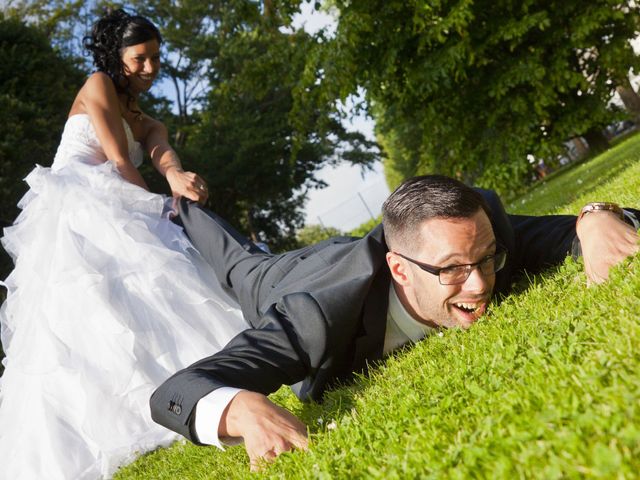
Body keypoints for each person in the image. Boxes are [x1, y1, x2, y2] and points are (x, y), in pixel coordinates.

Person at [150, 174, 640, 470]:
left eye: (486, 260)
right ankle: (183, 207)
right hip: (275, 278)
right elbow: (177, 390)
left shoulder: (479, 230)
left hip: (358, 254)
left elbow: (578, 230)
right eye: (450, 269)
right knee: (237, 260)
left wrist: (595, 216)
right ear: (400, 268)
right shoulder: (313, 317)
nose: (478, 286)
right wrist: (238, 408)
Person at [0, 9, 248, 479]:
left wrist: (176, 176)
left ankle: (187, 383)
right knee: (92, 317)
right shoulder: (96, 85)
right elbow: (118, 160)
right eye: (140, 58)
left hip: (117, 199)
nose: (150, 68)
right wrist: (156, 210)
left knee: (151, 299)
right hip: (81, 207)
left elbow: (158, 148)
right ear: (116, 56)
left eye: (156, 57)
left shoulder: (147, 119)